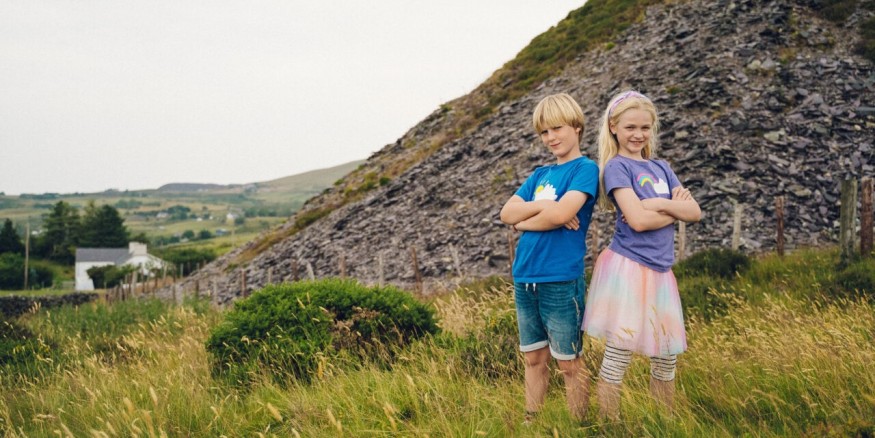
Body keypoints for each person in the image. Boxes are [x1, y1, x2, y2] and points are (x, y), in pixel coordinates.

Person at [582, 90, 701, 419]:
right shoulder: (616, 168)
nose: (638, 134)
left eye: (645, 127)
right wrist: (674, 209)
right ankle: (609, 424)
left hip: (661, 272)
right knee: (619, 354)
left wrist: (659, 204)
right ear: (614, 127)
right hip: (629, 269)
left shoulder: (662, 167)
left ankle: (663, 422)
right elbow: (637, 220)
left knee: (666, 357)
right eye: (630, 127)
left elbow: (695, 212)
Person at [499, 93, 599, 422]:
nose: (550, 137)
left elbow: (562, 215)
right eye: (544, 132)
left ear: (577, 127)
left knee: (569, 363)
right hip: (525, 277)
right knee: (533, 358)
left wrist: (525, 221)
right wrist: (544, 206)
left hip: (561, 279)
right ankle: (532, 422)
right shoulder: (540, 175)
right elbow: (506, 213)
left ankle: (579, 426)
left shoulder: (585, 169)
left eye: (557, 128)